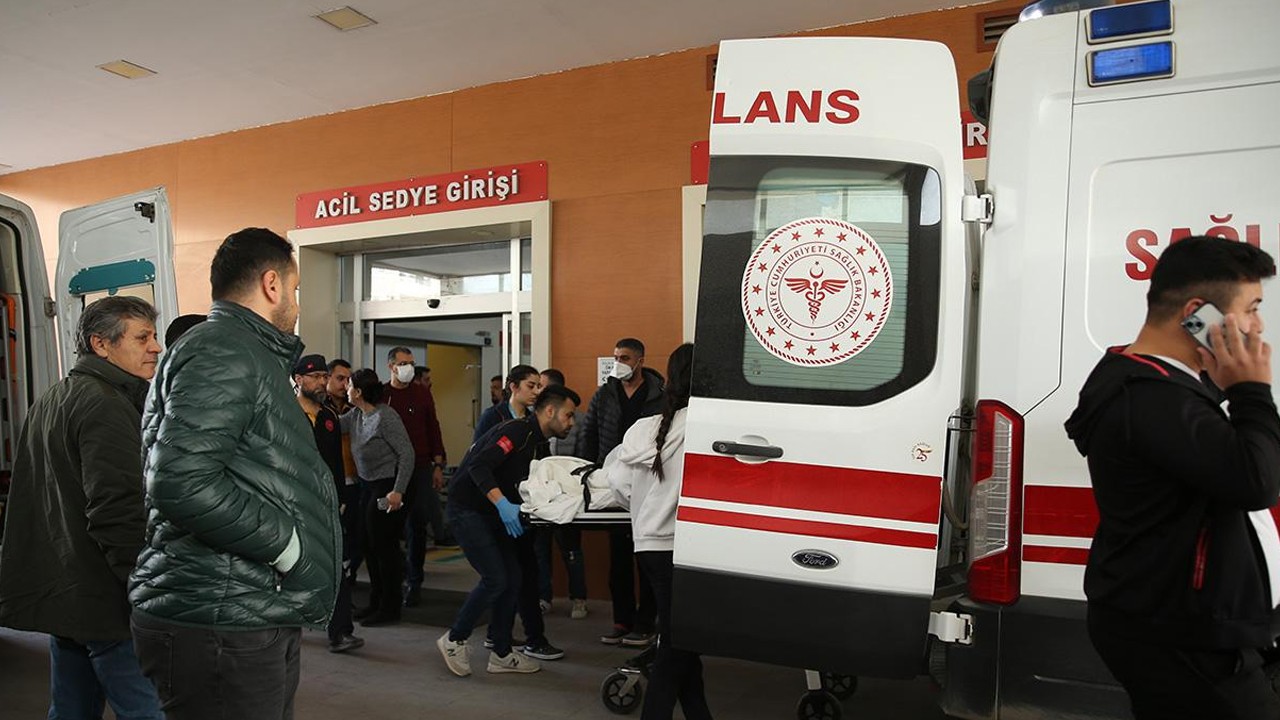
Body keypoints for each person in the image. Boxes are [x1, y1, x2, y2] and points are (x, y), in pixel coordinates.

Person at [1064, 236, 1280, 720]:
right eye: (1253, 308)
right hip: (1180, 633)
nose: (1259, 325)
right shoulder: (1151, 399)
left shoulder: (1157, 381)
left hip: (1174, 619)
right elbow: (1256, 481)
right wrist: (1252, 391)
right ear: (1197, 314)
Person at [129, 227, 340, 720]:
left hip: (244, 605)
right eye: (295, 288)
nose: (296, 302)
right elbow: (182, 480)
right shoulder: (224, 349)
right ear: (272, 285)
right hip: (222, 615)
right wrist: (289, 547)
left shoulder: (244, 352)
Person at [0, 297, 164, 720]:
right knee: (144, 709)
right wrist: (144, 589)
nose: (156, 347)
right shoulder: (104, 404)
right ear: (101, 344)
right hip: (105, 597)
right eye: (142, 337)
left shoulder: (57, 396)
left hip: (69, 592)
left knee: (71, 708)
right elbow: (117, 509)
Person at [437, 384, 581, 677]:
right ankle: (454, 639)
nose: (572, 423)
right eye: (569, 415)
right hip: (467, 509)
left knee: (513, 578)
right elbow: (479, 467)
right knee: (496, 578)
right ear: (550, 411)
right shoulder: (517, 432)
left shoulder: (540, 443)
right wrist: (503, 504)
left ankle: (501, 652)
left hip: (493, 514)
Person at [607, 343, 711, 720]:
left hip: (648, 544)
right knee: (677, 643)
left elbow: (617, 483)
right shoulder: (706, 429)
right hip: (683, 548)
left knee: (683, 638)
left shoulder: (643, 429)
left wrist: (642, 507)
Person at [576, 337, 663, 646]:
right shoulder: (605, 394)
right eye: (615, 357)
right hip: (612, 482)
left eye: (625, 358)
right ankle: (622, 620)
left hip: (649, 485)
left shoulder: (659, 394)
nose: (619, 364)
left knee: (648, 558)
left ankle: (646, 622)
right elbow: (589, 433)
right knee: (619, 559)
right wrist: (588, 471)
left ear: (640, 360)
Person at [294, 354, 364, 654]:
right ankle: (285, 627)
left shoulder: (328, 418)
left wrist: (338, 500)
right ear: (298, 380)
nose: (322, 382)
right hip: (290, 505)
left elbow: (335, 464)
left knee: (335, 567)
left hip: (324, 506)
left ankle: (340, 632)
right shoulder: (283, 415)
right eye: (315, 376)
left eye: (325, 376)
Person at [344, 368, 416, 627]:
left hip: (386, 488)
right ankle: (376, 601)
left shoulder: (386, 416)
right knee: (367, 546)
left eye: (349, 385)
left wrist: (398, 491)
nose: (346, 389)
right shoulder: (355, 415)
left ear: (359, 391)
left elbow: (407, 454)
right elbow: (328, 425)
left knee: (384, 548)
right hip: (366, 486)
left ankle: (390, 607)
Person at [383, 346, 447, 607]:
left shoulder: (421, 394)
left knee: (416, 526)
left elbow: (433, 427)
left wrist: (438, 463)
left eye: (411, 362)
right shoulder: (383, 395)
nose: (408, 367)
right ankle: (394, 577)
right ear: (391, 367)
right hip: (390, 469)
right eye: (403, 362)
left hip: (420, 467)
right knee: (389, 527)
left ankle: (415, 582)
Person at [536, 368, 589, 620]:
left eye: (542, 386)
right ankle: (543, 597)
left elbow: (583, 458)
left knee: (571, 549)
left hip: (569, 495)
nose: (537, 391)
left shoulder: (577, 420)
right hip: (542, 495)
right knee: (540, 549)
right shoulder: (533, 424)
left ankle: (579, 598)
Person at [327, 358, 365, 581]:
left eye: (348, 380)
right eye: (340, 378)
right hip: (333, 482)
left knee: (358, 534)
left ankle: (349, 575)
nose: (344, 384)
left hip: (356, 480)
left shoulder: (355, 409)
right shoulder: (321, 409)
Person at [474, 364, 541, 442]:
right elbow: (477, 450)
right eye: (530, 386)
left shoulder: (532, 420)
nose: (536, 392)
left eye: (538, 387)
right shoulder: (492, 416)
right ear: (513, 387)